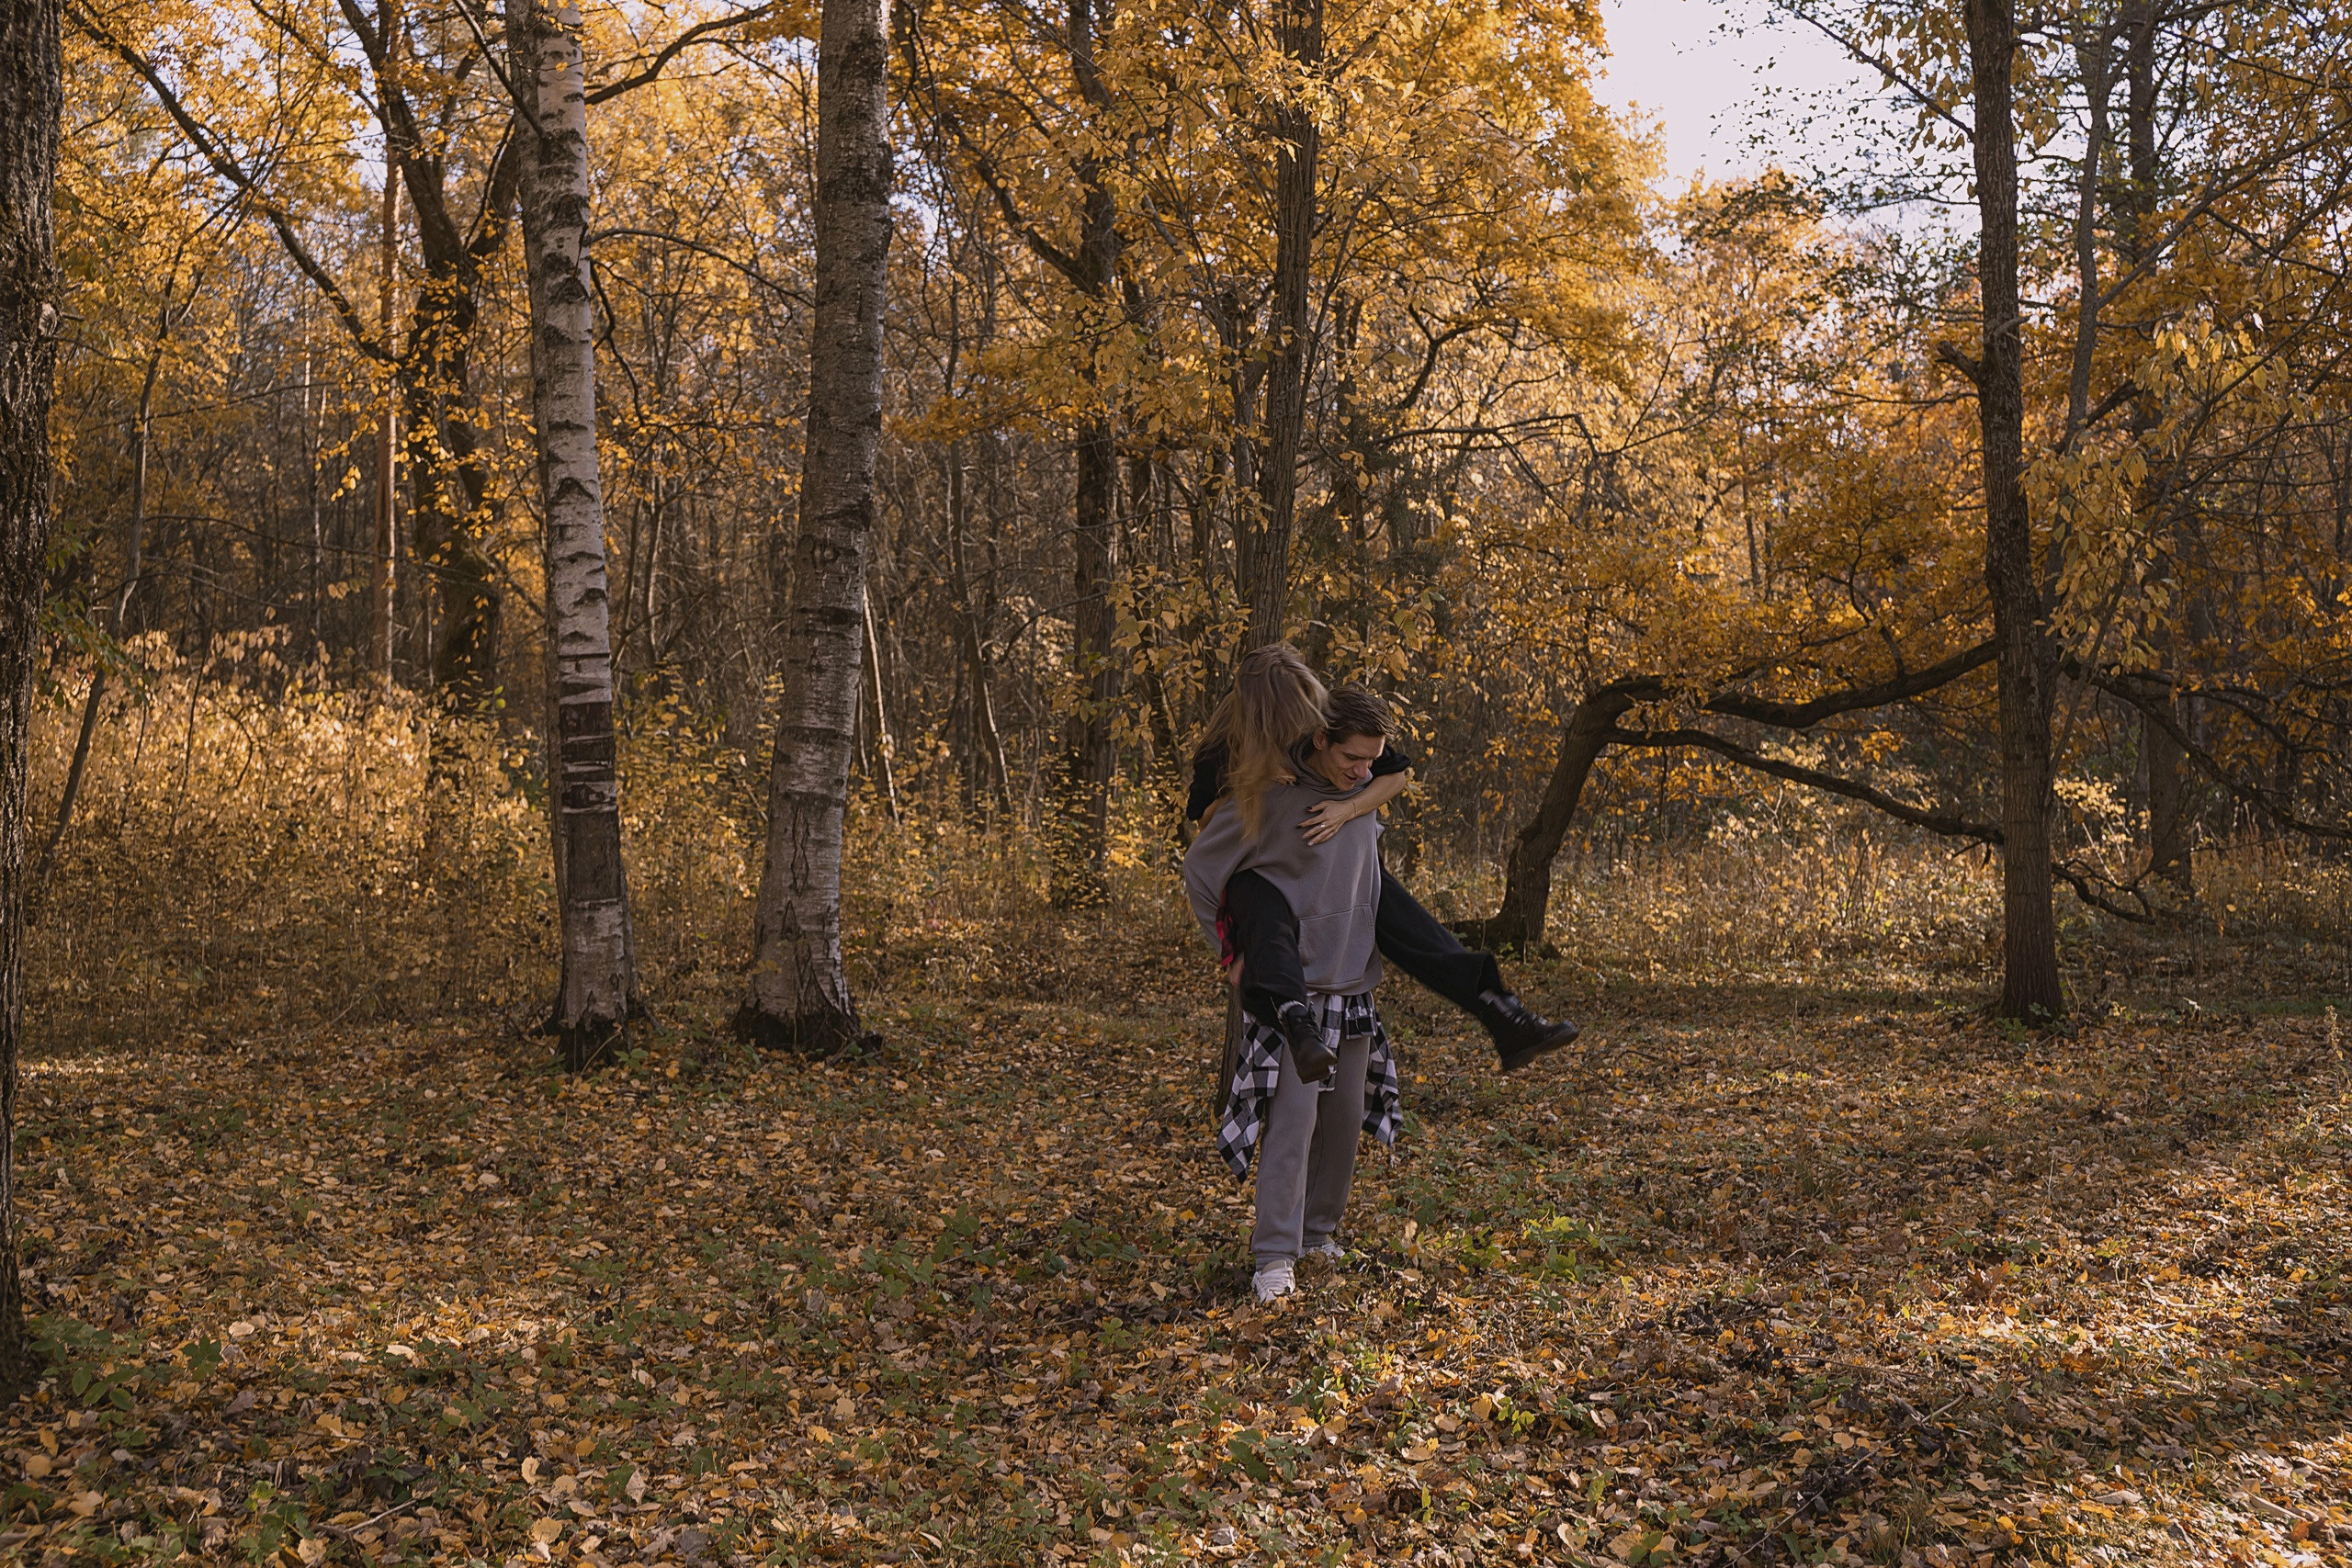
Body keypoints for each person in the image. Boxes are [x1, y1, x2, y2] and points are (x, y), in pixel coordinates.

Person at [1189, 647, 1578, 1074]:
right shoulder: (1223, 746)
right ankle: (1297, 1026)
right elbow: (1207, 824)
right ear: (1261, 716)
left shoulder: (1322, 718)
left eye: (1306, 709)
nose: (1301, 724)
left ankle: (1501, 1012)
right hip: (1269, 867)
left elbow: (1394, 775)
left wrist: (1346, 810)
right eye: (1289, 718)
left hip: (1335, 855)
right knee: (1267, 927)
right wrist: (1256, 781)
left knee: (1410, 925)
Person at [1183, 681, 1402, 1304]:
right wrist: (1234, 953)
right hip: (1297, 991)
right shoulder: (1273, 797)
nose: (1364, 770)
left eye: (1372, 759)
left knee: (1342, 1124)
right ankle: (1274, 1256)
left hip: (1354, 982)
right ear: (1319, 738)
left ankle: (1317, 1232)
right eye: (1352, 757)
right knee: (1293, 1123)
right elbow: (1201, 871)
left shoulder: (1361, 794)